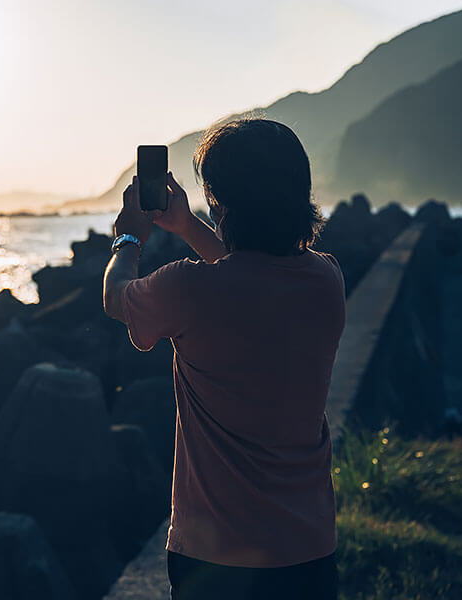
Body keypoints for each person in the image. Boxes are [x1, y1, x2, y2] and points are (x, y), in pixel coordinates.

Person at [102, 119, 345, 600]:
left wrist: (127, 240)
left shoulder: (188, 288)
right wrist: (189, 227)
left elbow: (117, 297)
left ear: (222, 201)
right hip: (309, 544)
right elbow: (251, 277)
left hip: (216, 556)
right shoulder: (326, 280)